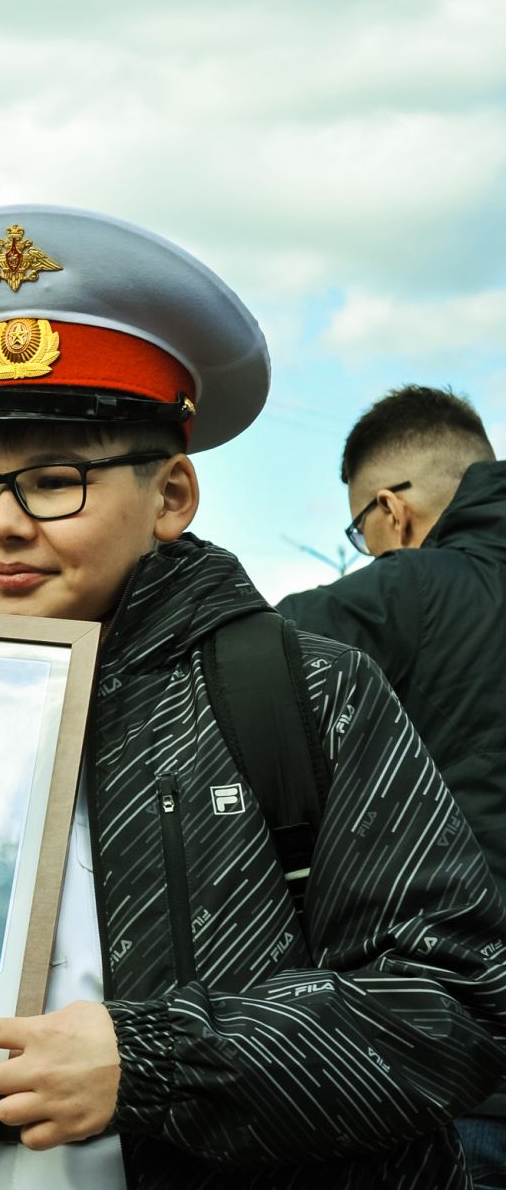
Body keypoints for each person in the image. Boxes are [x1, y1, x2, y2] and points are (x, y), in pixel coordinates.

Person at [0, 206, 506, 1189]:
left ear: (173, 495)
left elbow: (457, 1007)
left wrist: (150, 1058)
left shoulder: (303, 693)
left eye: (53, 480)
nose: (1, 526)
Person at [278, 384, 506, 1184]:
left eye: (361, 527)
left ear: (392, 510)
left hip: (469, 1072)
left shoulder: (407, 591)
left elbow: (237, 659)